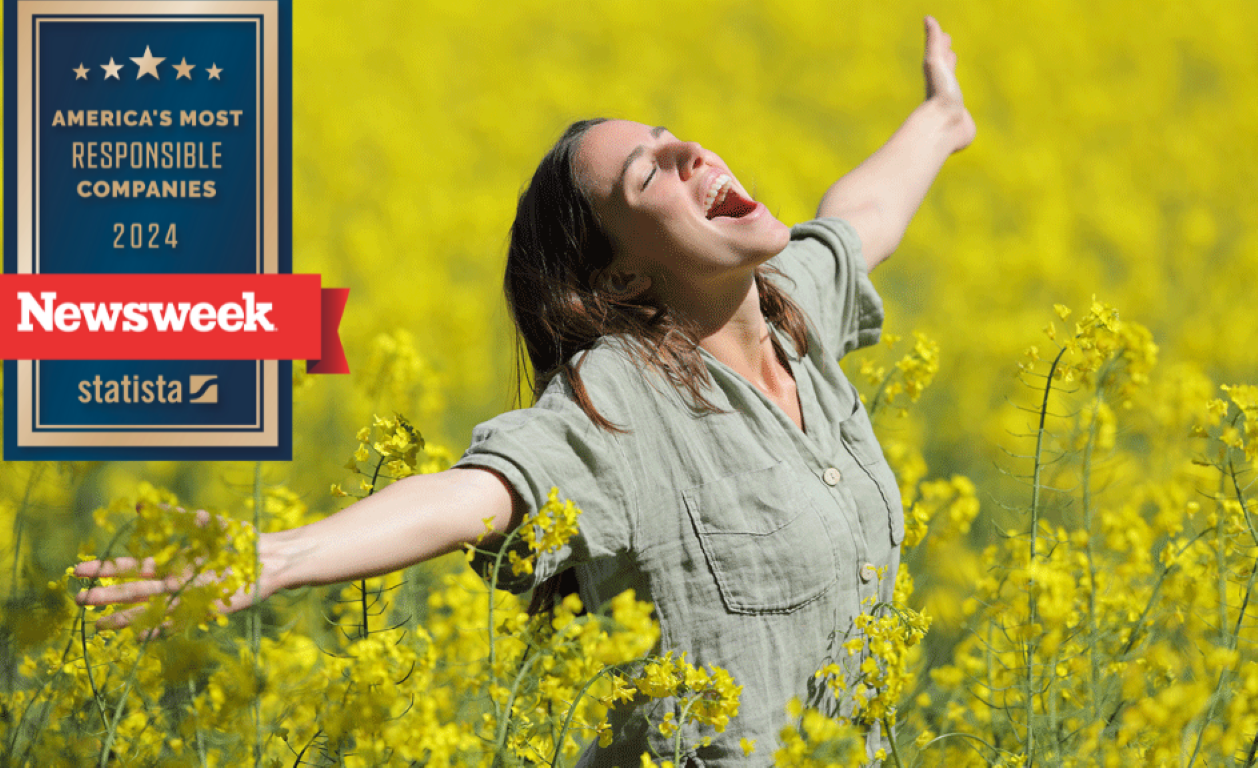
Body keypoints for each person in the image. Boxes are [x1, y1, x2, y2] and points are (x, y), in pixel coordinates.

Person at [75, 15, 975, 766]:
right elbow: (481, 492)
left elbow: (860, 218)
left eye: (672, 138)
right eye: (652, 172)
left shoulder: (789, 311)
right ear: (619, 279)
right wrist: (277, 558)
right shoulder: (621, 400)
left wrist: (940, 116)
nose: (692, 150)